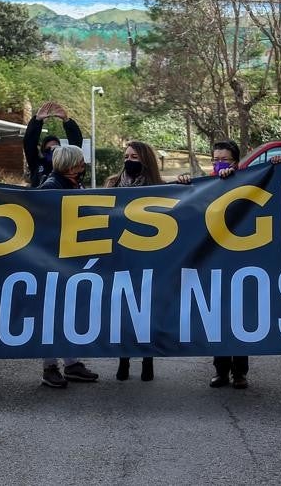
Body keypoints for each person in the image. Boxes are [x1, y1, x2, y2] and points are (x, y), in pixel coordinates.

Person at [177, 140, 249, 389]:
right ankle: (221, 371)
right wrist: (185, 184)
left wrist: (232, 179)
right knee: (217, 319)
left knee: (238, 319)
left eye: (225, 160)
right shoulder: (205, 185)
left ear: (236, 163)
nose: (219, 164)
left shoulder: (247, 182)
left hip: (239, 263)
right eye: (215, 159)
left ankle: (240, 373)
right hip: (212, 263)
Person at [37, 144, 100, 388]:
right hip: (55, 259)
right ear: (69, 164)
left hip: (71, 256)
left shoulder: (73, 184)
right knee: (52, 314)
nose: (83, 166)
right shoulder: (51, 187)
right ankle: (49, 367)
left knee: (68, 312)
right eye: (80, 162)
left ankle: (72, 363)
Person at [107, 141, 165, 382]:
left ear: (145, 160)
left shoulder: (159, 187)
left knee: (146, 311)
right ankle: (124, 359)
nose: (129, 160)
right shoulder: (112, 183)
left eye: (134, 156)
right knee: (122, 311)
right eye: (126, 156)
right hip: (121, 256)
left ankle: (147, 360)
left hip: (149, 256)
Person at [24, 100, 84, 188]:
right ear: (43, 151)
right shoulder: (37, 164)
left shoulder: (67, 167)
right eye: (48, 149)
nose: (52, 151)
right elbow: (29, 143)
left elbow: (75, 147)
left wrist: (66, 120)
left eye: (56, 149)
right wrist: (37, 120)